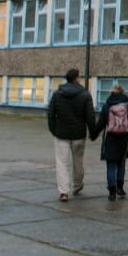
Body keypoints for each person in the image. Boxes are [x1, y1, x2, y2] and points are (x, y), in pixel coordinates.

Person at [47, 68, 96, 203]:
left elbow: (51, 114)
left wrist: (54, 130)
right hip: (79, 134)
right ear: (77, 78)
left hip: (61, 133)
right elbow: (90, 117)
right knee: (78, 160)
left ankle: (63, 192)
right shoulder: (85, 94)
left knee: (62, 163)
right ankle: (77, 184)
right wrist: (93, 132)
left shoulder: (57, 95)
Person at [90, 84, 128, 201]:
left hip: (110, 139)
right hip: (124, 139)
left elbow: (101, 124)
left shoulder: (107, 106)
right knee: (121, 164)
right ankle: (120, 188)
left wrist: (93, 135)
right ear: (123, 93)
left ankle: (112, 192)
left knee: (110, 165)